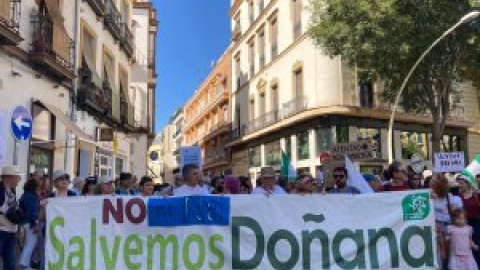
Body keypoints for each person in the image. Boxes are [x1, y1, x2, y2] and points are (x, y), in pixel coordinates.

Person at [432, 174, 463, 269]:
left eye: (433, 182)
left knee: (448, 254)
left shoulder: (450, 198)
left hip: (447, 228)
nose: (431, 184)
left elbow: (456, 213)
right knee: (441, 254)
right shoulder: (430, 195)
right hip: (436, 228)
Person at [0, 166, 22, 270]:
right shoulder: (1, 191)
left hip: (11, 231)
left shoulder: (12, 191)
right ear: (10, 178)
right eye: (18, 177)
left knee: (10, 263)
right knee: (10, 262)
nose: (19, 180)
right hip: (1, 231)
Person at [458, 175, 480, 266]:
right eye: (459, 183)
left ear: (468, 184)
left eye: (462, 183)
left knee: (476, 245)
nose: (459, 185)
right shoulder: (459, 197)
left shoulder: (477, 195)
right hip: (464, 224)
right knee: (466, 247)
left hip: (476, 223)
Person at [19, 179, 40, 270]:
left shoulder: (25, 195)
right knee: (30, 244)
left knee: (28, 244)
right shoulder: (31, 196)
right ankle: (24, 265)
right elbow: (32, 211)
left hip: (25, 222)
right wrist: (35, 224)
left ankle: (25, 264)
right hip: (30, 222)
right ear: (35, 187)